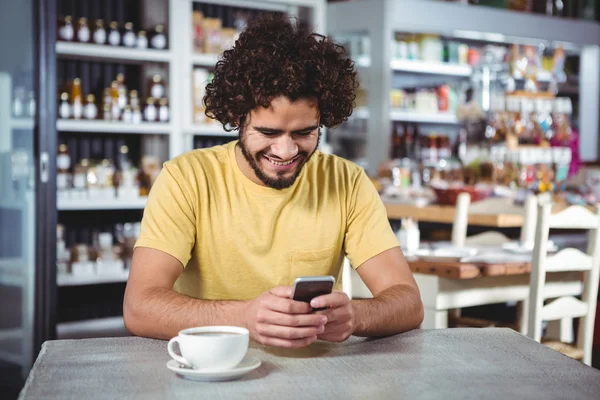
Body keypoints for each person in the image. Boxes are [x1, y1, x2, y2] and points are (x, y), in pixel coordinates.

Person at [123, 14, 423, 348]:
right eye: (268, 132)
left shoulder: (347, 182)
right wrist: (245, 318)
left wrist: (357, 316)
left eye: (304, 132)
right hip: (214, 375)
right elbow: (139, 307)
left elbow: (409, 303)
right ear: (238, 117)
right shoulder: (186, 179)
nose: (286, 150)